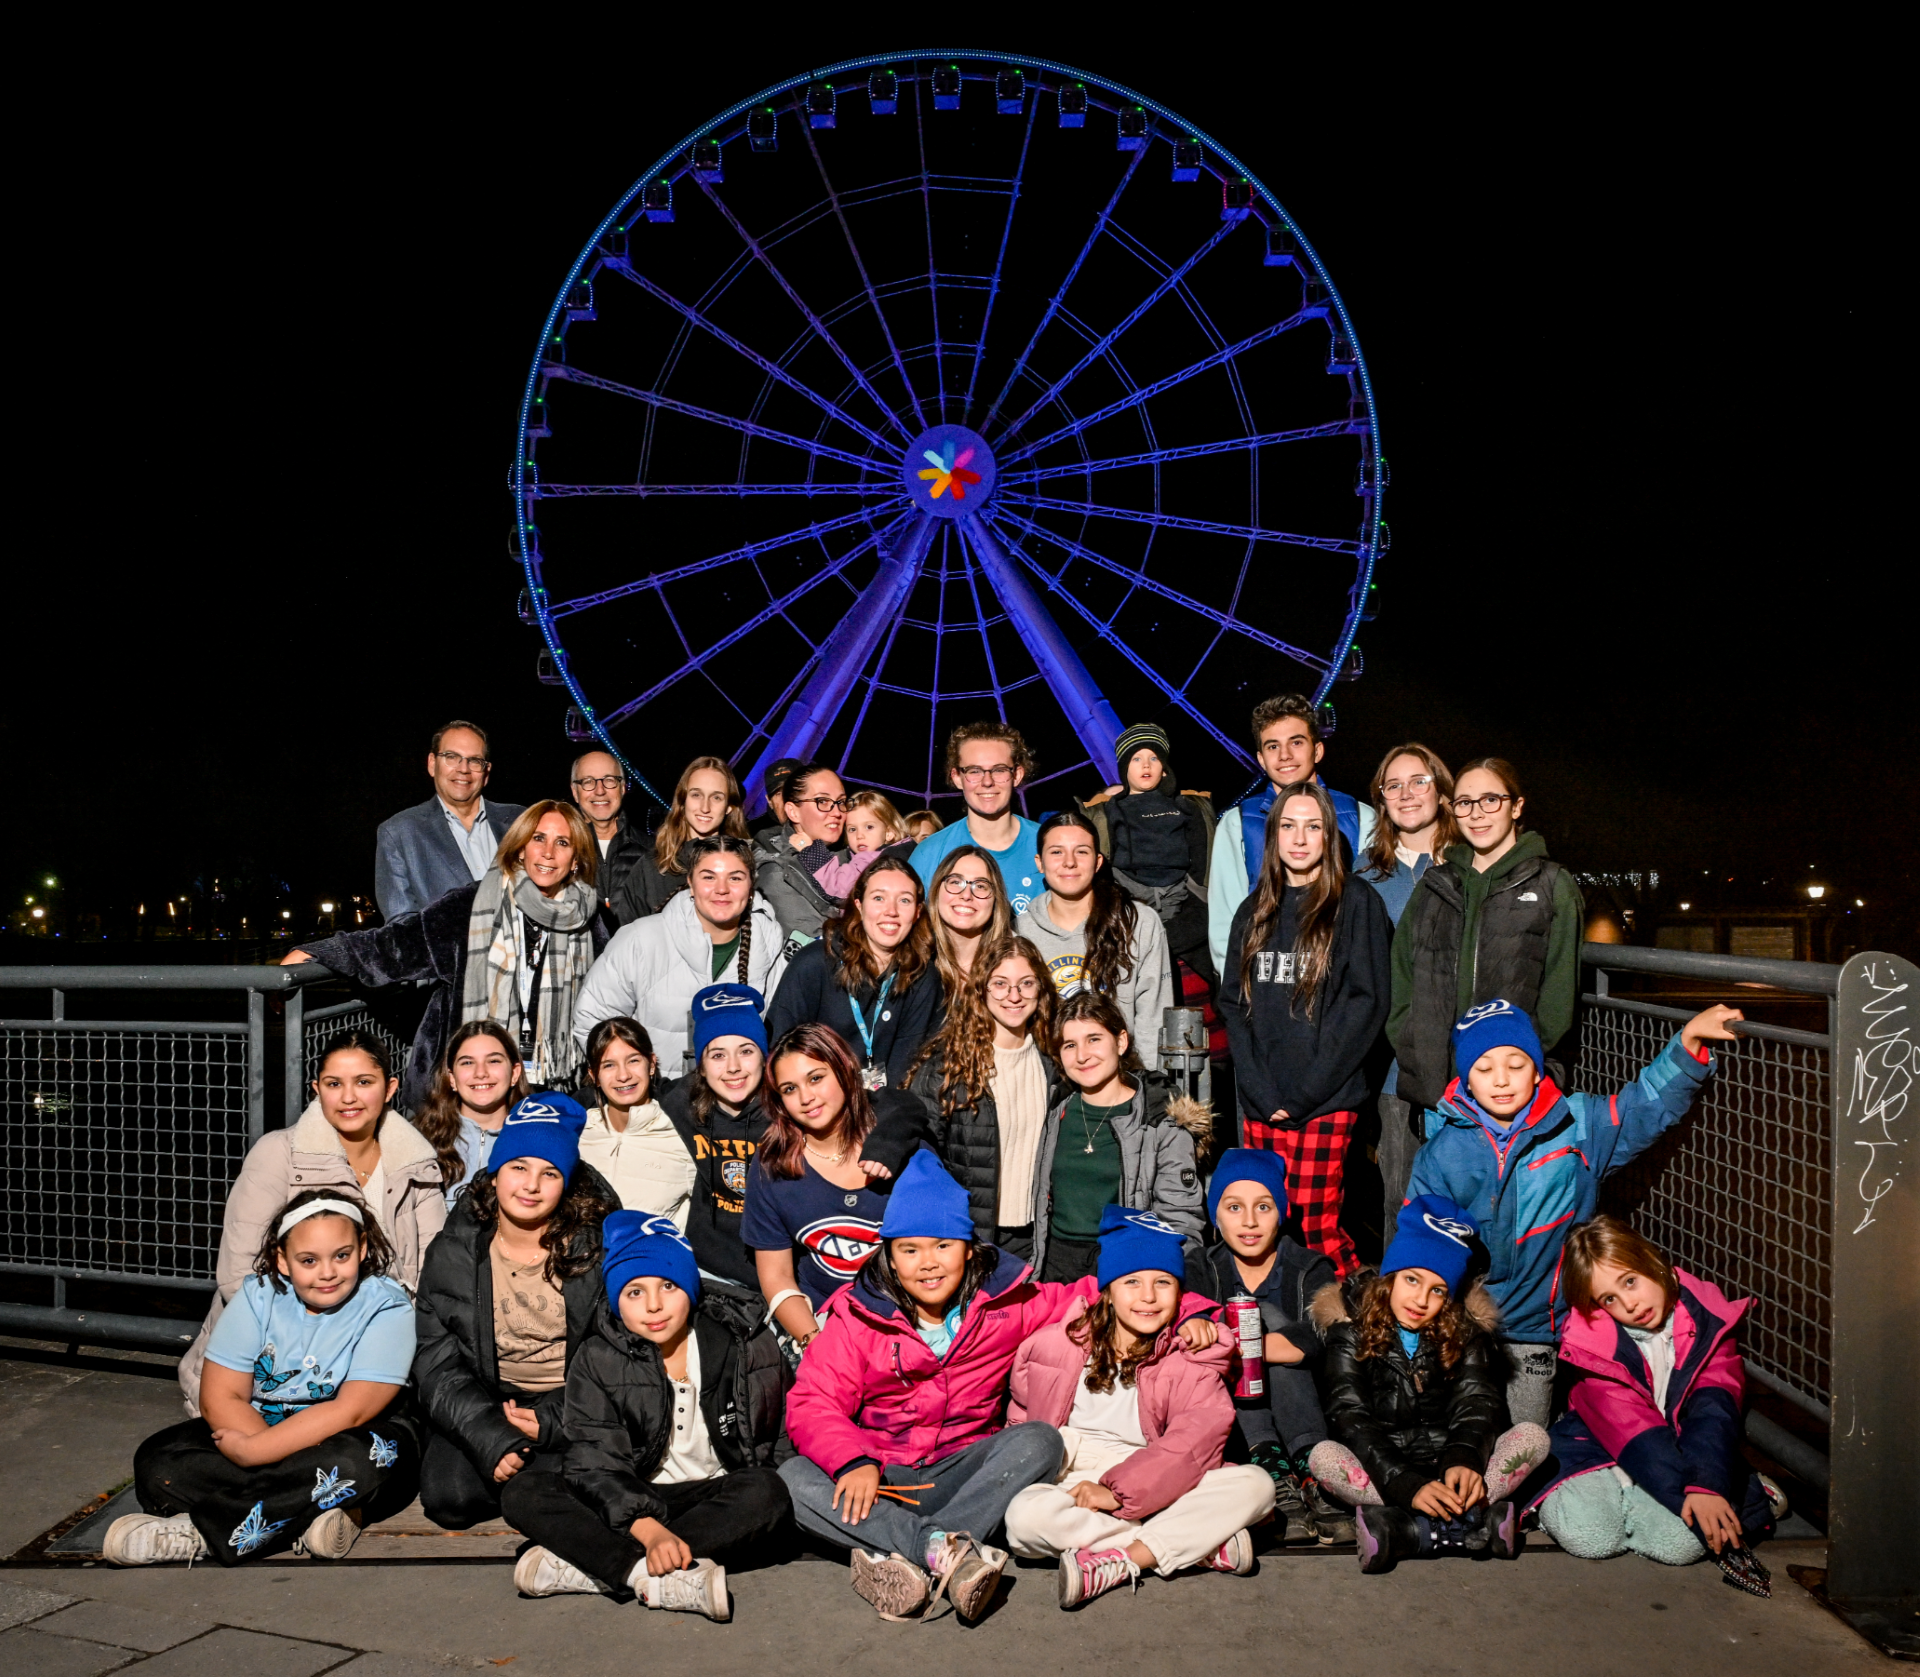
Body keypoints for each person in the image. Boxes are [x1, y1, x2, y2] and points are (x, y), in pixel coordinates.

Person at [779, 1153, 1128, 1622]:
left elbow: (1100, 1293)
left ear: (968, 1248)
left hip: (964, 1476)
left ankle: (912, 1554)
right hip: (882, 1478)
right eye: (910, 1250)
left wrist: (1191, 1311)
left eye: (943, 1246)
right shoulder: (856, 1316)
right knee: (793, 1479)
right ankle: (945, 1554)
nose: (928, 1264)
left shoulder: (1006, 1304)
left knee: (1040, 1441)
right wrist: (853, 1461)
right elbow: (813, 1402)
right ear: (890, 1256)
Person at [1402, 998, 1741, 1428]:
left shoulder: (1577, 1127)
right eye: (1484, 1069)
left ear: (1538, 1068)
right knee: (1463, 1435)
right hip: (1464, 1332)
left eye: (1517, 1064)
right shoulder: (1442, 1152)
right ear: (1466, 1078)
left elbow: (1642, 1108)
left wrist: (1687, 1045)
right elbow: (1421, 1243)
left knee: (1526, 1443)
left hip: (1538, 1333)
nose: (1502, 1081)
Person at [110, 1189, 419, 1566]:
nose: (327, 1272)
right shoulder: (258, 1295)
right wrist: (264, 1453)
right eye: (309, 1260)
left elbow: (351, 1410)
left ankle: (203, 1535)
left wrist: (256, 1452)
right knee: (159, 1461)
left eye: (342, 1255)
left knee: (361, 1463)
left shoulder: (387, 1305)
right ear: (283, 1260)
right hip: (265, 1433)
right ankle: (305, 1514)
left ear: (363, 1247)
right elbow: (221, 1396)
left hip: (347, 1436)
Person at [506, 1212, 793, 1618]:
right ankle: (647, 1575)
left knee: (769, 1493)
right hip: (630, 1494)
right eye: (634, 1292)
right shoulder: (597, 1358)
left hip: (711, 1498)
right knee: (525, 1491)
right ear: (616, 1299)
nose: (654, 1305)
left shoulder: (745, 1344)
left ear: (690, 1289)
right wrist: (648, 1530)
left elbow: (781, 1436)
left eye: (669, 1286)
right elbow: (595, 1465)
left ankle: (599, 1568)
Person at [1002, 1204, 1272, 1605]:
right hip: (1072, 1471)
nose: (1148, 1297)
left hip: (1158, 1470)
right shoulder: (1052, 1345)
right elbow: (1022, 1424)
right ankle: (1195, 1543)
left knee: (1256, 1486)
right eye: (1131, 1282)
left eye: (1163, 1282)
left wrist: (1117, 1493)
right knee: (1023, 1520)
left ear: (1181, 1292)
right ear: (1107, 1291)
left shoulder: (1188, 1356)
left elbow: (1194, 1441)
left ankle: (1122, 1559)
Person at [177, 1032, 444, 1413]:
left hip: (376, 1353)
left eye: (364, 1083)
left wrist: (385, 1342)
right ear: (317, 1088)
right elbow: (238, 1276)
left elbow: (432, 1273)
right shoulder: (277, 1154)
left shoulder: (416, 1163)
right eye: (334, 1084)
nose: (348, 1097)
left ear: (390, 1088)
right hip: (273, 1367)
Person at [287, 801, 609, 1108]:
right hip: (460, 1091)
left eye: (563, 842)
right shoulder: (472, 904)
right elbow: (394, 946)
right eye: (538, 838)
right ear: (520, 848)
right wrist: (318, 952)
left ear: (576, 860)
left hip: (549, 1092)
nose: (548, 853)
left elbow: (605, 1005)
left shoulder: (588, 919)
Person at [1531, 1217, 1781, 1585]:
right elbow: (1633, 1430)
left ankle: (1754, 1492)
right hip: (1598, 1452)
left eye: (1630, 1281)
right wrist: (1685, 1500)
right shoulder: (1594, 1344)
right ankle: (1613, 1505)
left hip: (1680, 1454)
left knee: (1679, 1544)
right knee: (1589, 1536)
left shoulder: (1706, 1320)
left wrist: (1705, 1487)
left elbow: (1712, 1411)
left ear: (1653, 1261)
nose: (1630, 1304)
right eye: (1609, 1299)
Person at [1307, 1195, 1549, 1573]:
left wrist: (1465, 1460)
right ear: (1391, 1277)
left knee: (1534, 1438)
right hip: (1387, 1467)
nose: (1420, 1299)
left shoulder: (1465, 1332)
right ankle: (1470, 1524)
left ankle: (1408, 1530)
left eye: (1437, 1290)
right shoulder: (1349, 1331)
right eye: (1412, 1280)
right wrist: (1405, 1484)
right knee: (1324, 1458)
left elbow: (1479, 1401)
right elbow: (1349, 1416)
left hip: (1450, 1465)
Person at [412, 1095, 619, 1532]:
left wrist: (553, 1420)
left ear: (567, 1184)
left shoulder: (596, 1250)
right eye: (518, 1167)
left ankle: (546, 1487)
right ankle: (545, 1488)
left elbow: (619, 1355)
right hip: (488, 1398)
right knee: (448, 1496)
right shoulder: (454, 1251)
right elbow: (435, 1360)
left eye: (550, 1173)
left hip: (570, 1399)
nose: (531, 1185)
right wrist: (491, 1435)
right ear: (494, 1174)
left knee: (599, 1473)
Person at [1219, 782, 1390, 1277]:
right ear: (1272, 837)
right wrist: (1257, 1087)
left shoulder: (1356, 903)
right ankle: (1278, 1330)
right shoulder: (1253, 912)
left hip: (1325, 1101)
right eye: (1288, 827)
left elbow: (1368, 1003)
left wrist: (1304, 1093)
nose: (1300, 838)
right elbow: (1234, 1003)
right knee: (1261, 1229)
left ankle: (1352, 1329)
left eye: (1312, 826)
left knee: (1317, 1228)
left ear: (1329, 835)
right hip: (1260, 1100)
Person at [1387, 757, 1584, 1116]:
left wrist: (1517, 1064)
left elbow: (1559, 993)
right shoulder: (1435, 885)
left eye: (1490, 799)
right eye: (1464, 803)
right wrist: (1412, 1044)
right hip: (1437, 1091)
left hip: (1511, 1094)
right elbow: (1401, 977)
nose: (1477, 813)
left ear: (1517, 806)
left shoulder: (1552, 885)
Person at [741, 1025, 929, 1345]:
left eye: (816, 1078)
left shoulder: (900, 1146)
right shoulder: (772, 1166)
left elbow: (940, 1255)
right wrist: (817, 1343)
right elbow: (777, 1276)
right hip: (825, 1327)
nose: (805, 1097)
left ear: (842, 1069)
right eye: (789, 1089)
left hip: (911, 1325)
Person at [1199, 1149, 1350, 1545]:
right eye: (1234, 1207)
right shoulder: (1202, 1266)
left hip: (1306, 1406)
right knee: (1248, 1316)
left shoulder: (1309, 1266)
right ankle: (1274, 1470)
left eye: (1263, 1207)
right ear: (1216, 1216)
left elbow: (1322, 1335)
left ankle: (1312, 1466)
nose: (1249, 1221)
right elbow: (1192, 1330)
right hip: (1234, 1421)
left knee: (1263, 1315)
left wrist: (1248, 1344)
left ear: (1280, 1213)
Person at [1029, 992, 1210, 1285]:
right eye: (1070, 1045)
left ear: (1121, 1042)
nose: (1082, 1055)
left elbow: (1181, 1220)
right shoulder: (1053, 1109)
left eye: (1094, 1039)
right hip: (1056, 1268)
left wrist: (1171, 1287)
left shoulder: (1159, 1120)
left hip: (1126, 1264)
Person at [573, 835, 784, 1078]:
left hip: (738, 1106)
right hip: (655, 1104)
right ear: (691, 884)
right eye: (708, 877)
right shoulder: (641, 940)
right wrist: (634, 1085)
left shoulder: (770, 946)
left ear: (751, 886)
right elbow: (593, 1019)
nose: (722, 889)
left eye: (735, 878)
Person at [1357, 744, 1459, 1233]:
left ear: (1441, 790)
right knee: (1402, 1199)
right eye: (1392, 785)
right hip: (1396, 1071)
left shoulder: (1471, 866)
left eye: (1418, 780)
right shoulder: (1365, 875)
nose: (1406, 793)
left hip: (1469, 1066)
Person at [907, 934, 1058, 1257]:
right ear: (982, 989)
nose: (1014, 996)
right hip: (970, 1237)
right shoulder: (948, 1065)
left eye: (1026, 983)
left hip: (1039, 1238)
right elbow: (920, 1157)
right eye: (1000, 984)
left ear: (1040, 990)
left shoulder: (1056, 1063)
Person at [1207, 694, 1374, 974]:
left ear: (1317, 750)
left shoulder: (1361, 816)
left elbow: (1372, 916)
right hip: (1265, 981)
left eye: (1296, 742)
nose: (1284, 755)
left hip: (1341, 977)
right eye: (1273, 746)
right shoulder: (1237, 824)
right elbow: (1226, 922)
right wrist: (1239, 995)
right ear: (1261, 758)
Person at [763, 856, 941, 1091]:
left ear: (917, 912)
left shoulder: (922, 976)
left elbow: (905, 1071)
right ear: (859, 905)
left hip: (884, 1113)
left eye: (904, 901)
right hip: (813, 1105)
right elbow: (781, 1052)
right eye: (878, 898)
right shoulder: (813, 963)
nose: (891, 911)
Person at [1019, 810, 1175, 1063]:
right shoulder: (1021, 931)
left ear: (1098, 862)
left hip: (1125, 1074)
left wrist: (1149, 1087)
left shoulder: (1138, 923)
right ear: (1039, 862)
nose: (1069, 862)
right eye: (1056, 852)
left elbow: (1153, 1017)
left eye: (1081, 851)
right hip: (1050, 1079)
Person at [1078, 722, 1218, 992]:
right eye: (1137, 758)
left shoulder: (1185, 806)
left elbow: (1201, 856)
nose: (1146, 765)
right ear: (1123, 768)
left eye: (1154, 758)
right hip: (1130, 893)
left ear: (1164, 766)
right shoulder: (1110, 810)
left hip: (1179, 892)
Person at [375, 720, 526, 921]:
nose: (463, 769)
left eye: (474, 760)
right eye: (451, 757)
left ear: (486, 772)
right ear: (432, 764)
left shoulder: (520, 821)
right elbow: (401, 929)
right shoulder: (399, 833)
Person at [908, 721, 1044, 913]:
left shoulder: (1049, 846)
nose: (987, 782)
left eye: (999, 770)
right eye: (974, 771)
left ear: (1017, 775)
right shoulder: (929, 855)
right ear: (957, 777)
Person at [579, 1018, 693, 1225]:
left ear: (651, 1064)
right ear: (594, 1075)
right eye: (609, 1065)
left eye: (633, 1060)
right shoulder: (578, 1132)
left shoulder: (680, 1132)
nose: (623, 1075)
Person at [617, 756, 751, 923]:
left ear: (729, 807)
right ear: (682, 800)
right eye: (696, 795)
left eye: (716, 797)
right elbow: (627, 936)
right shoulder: (651, 868)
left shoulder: (747, 866)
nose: (705, 807)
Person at [412, 1021, 528, 1206]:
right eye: (467, 1063)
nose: (480, 1073)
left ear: (514, 1073)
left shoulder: (538, 1137)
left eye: (493, 1061)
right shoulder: (420, 1138)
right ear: (452, 1078)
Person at [752, 761, 852, 939]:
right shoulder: (778, 873)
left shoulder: (858, 854)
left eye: (841, 802)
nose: (837, 812)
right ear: (793, 811)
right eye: (822, 801)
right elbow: (816, 949)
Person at [570, 750, 648, 931]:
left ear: (622, 788)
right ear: (575, 792)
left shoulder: (653, 852)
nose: (600, 790)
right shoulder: (560, 852)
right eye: (588, 782)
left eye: (609, 780)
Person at [926, 844, 1014, 998]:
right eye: (955, 882)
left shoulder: (1015, 961)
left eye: (980, 886)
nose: (966, 895)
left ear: (996, 899)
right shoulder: (915, 960)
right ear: (936, 891)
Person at [843, 790, 915, 859]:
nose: (859, 836)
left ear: (889, 833)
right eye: (852, 829)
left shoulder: (895, 862)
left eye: (869, 827)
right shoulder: (842, 860)